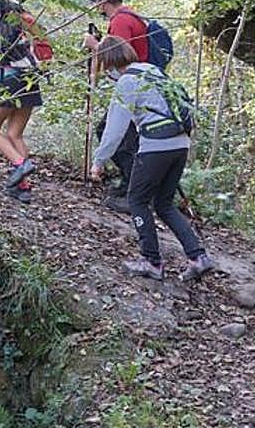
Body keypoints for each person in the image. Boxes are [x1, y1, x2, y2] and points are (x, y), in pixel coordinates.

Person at [90, 36, 213, 282]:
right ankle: (198, 257)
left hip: (156, 146)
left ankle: (151, 261)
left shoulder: (127, 82)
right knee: (164, 204)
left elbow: (114, 128)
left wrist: (98, 161)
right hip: (180, 144)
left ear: (110, 63)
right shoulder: (153, 71)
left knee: (136, 200)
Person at [83, 0, 148, 210]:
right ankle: (130, 186)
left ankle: (133, 191)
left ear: (103, 2)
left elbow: (122, 56)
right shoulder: (131, 17)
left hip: (132, 89)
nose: (97, 8)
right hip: (139, 87)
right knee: (127, 139)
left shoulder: (120, 21)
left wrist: (95, 46)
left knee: (119, 137)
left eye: (97, 3)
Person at [0, 0, 44, 203]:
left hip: (9, 75)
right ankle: (23, 187)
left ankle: (20, 164)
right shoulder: (19, 14)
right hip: (31, 75)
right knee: (15, 134)